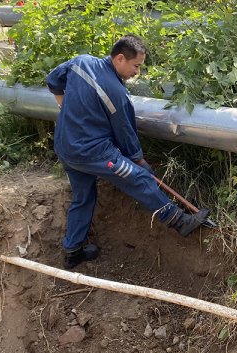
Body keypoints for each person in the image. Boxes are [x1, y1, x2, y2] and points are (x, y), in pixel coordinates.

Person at [46, 34, 209, 270]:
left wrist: (64, 107)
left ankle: (73, 251)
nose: (137, 73)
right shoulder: (116, 92)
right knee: (139, 178)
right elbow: (125, 132)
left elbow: (53, 81)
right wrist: (139, 161)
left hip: (65, 147)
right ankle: (179, 220)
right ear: (120, 58)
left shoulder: (81, 62)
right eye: (136, 66)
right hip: (92, 152)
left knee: (83, 197)